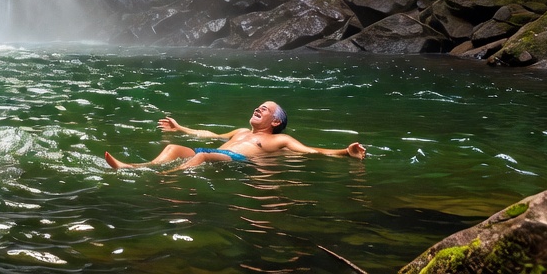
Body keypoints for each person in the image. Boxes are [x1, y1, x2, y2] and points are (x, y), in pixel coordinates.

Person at [103, 100, 366, 170]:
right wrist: (180, 128)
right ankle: (138, 167)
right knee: (174, 149)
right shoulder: (241, 131)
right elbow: (209, 135)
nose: (258, 108)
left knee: (204, 156)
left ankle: (164, 178)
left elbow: (313, 151)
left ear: (275, 121)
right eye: (258, 106)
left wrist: (346, 152)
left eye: (264, 109)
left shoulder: (279, 140)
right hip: (211, 152)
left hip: (235, 160)